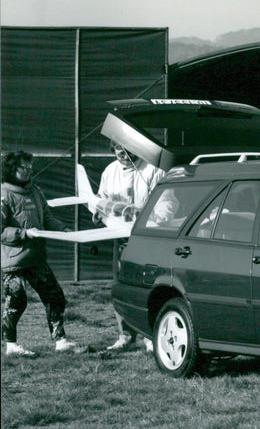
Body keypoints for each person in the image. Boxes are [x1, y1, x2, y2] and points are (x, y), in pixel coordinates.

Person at [1, 151, 85, 356]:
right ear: (12, 169)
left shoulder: (35, 191)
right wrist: (23, 233)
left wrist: (64, 230)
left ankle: (61, 341)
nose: (29, 171)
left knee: (55, 297)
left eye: (31, 167)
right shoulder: (4, 195)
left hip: (36, 258)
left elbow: (47, 218)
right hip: (13, 260)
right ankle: (11, 346)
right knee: (17, 299)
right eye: (24, 167)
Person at [99, 143, 167, 351]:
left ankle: (150, 336)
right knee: (121, 286)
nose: (123, 153)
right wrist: (101, 214)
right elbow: (102, 201)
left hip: (149, 238)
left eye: (127, 148)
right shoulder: (110, 171)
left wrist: (148, 219)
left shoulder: (153, 170)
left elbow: (168, 202)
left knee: (149, 286)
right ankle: (125, 335)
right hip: (121, 238)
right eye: (118, 148)